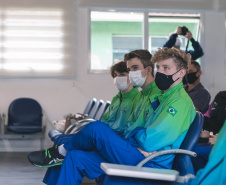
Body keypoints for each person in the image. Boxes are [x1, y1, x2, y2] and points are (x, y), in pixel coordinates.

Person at [27, 47, 196, 185]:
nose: (160, 72)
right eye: (159, 67)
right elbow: (134, 130)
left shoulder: (178, 103)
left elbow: (148, 141)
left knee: (96, 129)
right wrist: (136, 134)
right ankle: (62, 152)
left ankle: (60, 150)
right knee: (75, 156)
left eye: (166, 68)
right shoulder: (164, 97)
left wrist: (136, 134)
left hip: (150, 161)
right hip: (136, 151)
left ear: (181, 73)